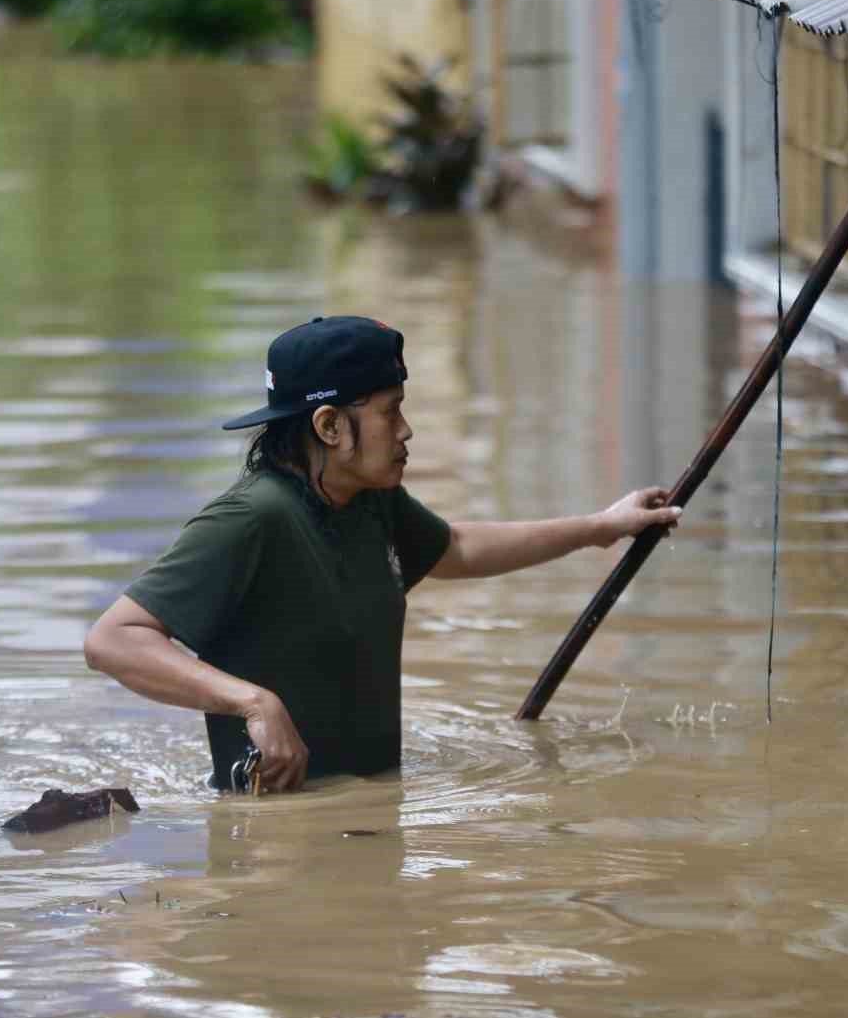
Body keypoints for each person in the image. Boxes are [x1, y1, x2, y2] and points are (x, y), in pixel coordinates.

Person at [83, 316, 681, 793]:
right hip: (278, 834)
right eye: (389, 411)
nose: (406, 430)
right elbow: (113, 640)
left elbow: (459, 548)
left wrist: (603, 527)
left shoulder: (370, 502)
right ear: (329, 426)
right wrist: (254, 703)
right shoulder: (254, 517)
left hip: (369, 809)